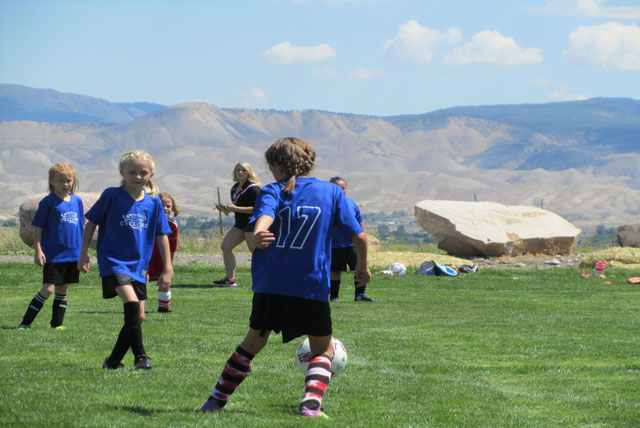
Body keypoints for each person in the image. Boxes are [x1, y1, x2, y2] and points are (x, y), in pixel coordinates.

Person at [201, 137, 371, 418]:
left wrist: (259, 232)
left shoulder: (271, 190)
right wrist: (362, 266)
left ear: (276, 165)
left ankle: (215, 400)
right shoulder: (331, 191)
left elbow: (265, 217)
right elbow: (360, 237)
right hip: (310, 284)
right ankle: (311, 405)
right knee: (323, 349)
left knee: (252, 343)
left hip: (271, 283)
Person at [78, 150, 173, 370]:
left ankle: (112, 361)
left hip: (138, 266)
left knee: (139, 316)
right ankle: (141, 356)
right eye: (132, 172)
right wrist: (83, 253)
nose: (138, 176)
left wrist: (168, 268)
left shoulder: (154, 204)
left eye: (143, 172)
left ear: (151, 175)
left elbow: (162, 235)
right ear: (122, 172)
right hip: (113, 261)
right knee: (131, 303)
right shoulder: (111, 195)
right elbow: (91, 223)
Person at [17, 163, 84, 330]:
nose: (66, 184)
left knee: (63, 288)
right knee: (48, 289)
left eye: (69, 180)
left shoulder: (77, 201)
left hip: (73, 254)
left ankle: (57, 325)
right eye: (61, 181)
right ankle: (25, 323)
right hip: (54, 254)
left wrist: (84, 253)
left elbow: (81, 227)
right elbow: (38, 227)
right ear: (52, 181)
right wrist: (38, 250)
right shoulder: (48, 202)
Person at [212, 162, 261, 287]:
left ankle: (264, 279)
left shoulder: (254, 188)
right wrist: (225, 209)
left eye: (243, 170)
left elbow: (256, 209)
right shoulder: (235, 188)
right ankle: (230, 279)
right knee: (226, 246)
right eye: (238, 170)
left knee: (256, 253)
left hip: (252, 224)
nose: (240, 172)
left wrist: (234, 208)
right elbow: (236, 208)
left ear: (249, 172)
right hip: (240, 224)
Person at [328, 176, 374, 302]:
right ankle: (334, 296)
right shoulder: (326, 204)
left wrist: (364, 239)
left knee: (359, 268)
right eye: (337, 188)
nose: (341, 190)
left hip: (352, 244)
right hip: (334, 246)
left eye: (343, 188)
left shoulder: (351, 204)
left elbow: (360, 223)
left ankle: (360, 294)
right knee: (335, 271)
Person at [147, 192, 179, 312]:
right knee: (142, 281)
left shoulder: (172, 225)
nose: (165, 208)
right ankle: (137, 307)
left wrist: (169, 267)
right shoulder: (147, 221)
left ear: (172, 208)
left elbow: (172, 249)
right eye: (162, 205)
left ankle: (164, 307)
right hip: (147, 258)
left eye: (168, 206)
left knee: (165, 283)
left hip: (162, 258)